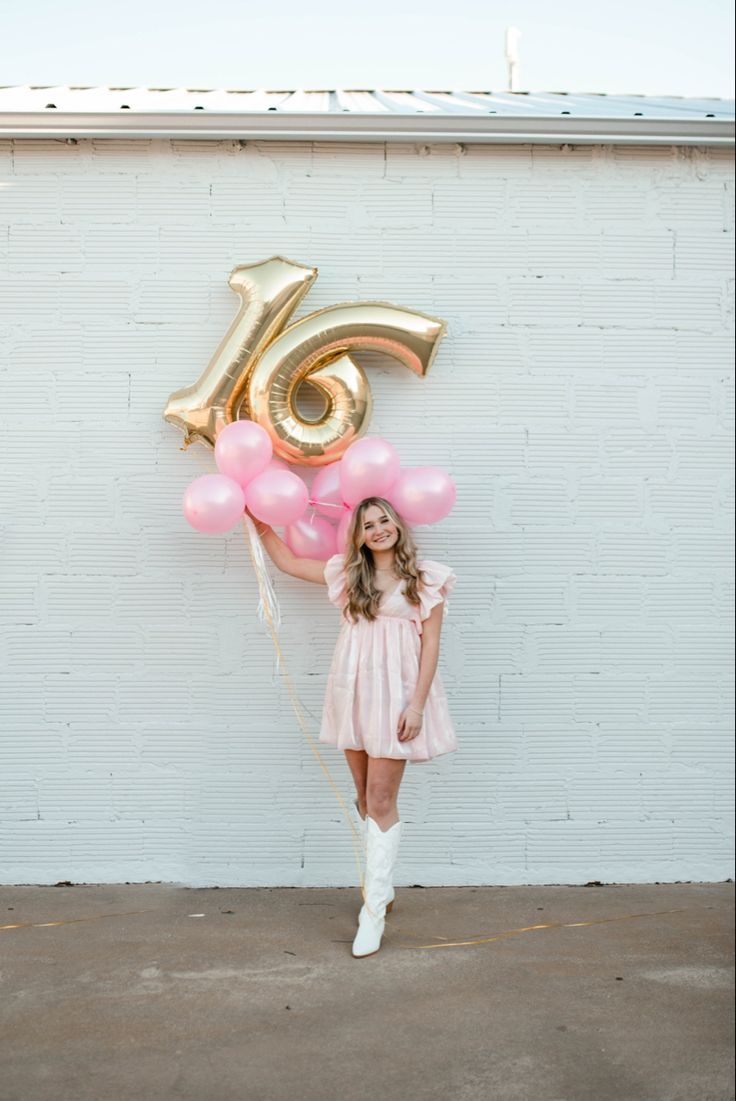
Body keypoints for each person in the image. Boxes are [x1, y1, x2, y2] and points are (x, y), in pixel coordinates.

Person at [246, 495, 458, 958]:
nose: (379, 529)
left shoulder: (425, 579)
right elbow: (287, 562)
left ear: (397, 524)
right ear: (359, 536)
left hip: (398, 697)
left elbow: (432, 647)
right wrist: (257, 520)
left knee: (382, 800)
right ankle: (382, 887)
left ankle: (373, 913)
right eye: (368, 525)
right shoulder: (348, 574)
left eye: (384, 520)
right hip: (354, 692)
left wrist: (417, 706)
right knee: (364, 797)